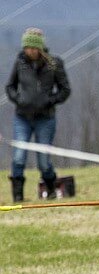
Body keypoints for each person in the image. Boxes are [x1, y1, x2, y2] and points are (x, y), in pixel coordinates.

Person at [6, 28, 70, 203]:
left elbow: (65, 90)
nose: (30, 51)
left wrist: (50, 100)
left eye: (34, 48)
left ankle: (50, 188)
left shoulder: (53, 64)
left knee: (43, 161)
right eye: (27, 48)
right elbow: (10, 86)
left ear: (40, 48)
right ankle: (17, 196)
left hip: (45, 119)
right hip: (22, 118)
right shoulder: (20, 63)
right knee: (19, 157)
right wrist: (18, 99)